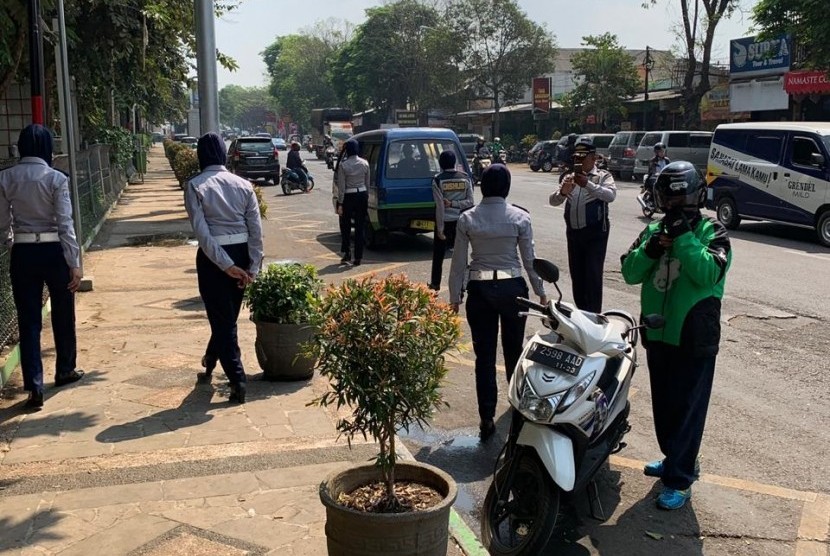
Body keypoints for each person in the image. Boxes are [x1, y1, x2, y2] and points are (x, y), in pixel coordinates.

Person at [620, 161, 732, 510]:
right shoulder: (653, 230)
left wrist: (683, 237)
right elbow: (629, 271)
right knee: (665, 406)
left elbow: (707, 273)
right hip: (658, 333)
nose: (672, 208)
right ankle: (677, 459)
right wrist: (653, 246)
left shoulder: (713, 232)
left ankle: (680, 479)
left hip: (693, 336)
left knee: (688, 409)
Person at [448, 164, 547, 442]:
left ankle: (486, 417)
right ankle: (518, 414)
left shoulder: (467, 219)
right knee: (515, 352)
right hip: (512, 290)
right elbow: (530, 260)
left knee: (485, 357)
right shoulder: (520, 217)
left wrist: (455, 295)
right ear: (507, 187)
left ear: (482, 186)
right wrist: (541, 291)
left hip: (479, 291)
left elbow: (458, 262)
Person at [0, 124, 84, 409]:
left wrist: (13, 243)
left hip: (23, 252)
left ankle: (34, 385)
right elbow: (66, 223)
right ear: (47, 147)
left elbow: (3, 223)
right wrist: (74, 263)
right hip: (54, 251)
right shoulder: (56, 178)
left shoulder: (6, 178)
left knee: (28, 320)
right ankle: (65, 369)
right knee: (63, 311)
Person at [184, 132, 263, 404]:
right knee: (225, 318)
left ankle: (237, 379)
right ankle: (210, 359)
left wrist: (225, 265)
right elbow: (256, 230)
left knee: (223, 320)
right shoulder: (243, 185)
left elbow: (202, 233)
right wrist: (252, 265)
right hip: (240, 253)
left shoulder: (195, 185)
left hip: (212, 257)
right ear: (223, 153)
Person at [549, 138, 616, 313]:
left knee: (593, 276)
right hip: (574, 234)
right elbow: (553, 201)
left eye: (582, 158)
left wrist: (588, 184)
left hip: (595, 235)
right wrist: (563, 191)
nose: (578, 161)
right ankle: (581, 313)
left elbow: (610, 196)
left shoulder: (602, 176)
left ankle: (593, 315)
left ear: (593, 158)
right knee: (577, 276)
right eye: (576, 158)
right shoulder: (567, 176)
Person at [429, 150, 474, 291]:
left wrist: (440, 229)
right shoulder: (465, 178)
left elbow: (440, 207)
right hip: (461, 222)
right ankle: (462, 286)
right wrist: (456, 204)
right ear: (454, 162)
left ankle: (435, 284)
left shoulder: (438, 180)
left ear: (441, 164)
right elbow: (470, 202)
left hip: (445, 221)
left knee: (438, 256)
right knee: (461, 256)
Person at [334, 138, 370, 266]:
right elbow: (367, 183)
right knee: (360, 227)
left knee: (346, 226)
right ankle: (358, 257)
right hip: (362, 194)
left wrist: (340, 203)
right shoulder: (365, 163)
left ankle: (347, 252)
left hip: (349, 196)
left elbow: (342, 187)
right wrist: (366, 197)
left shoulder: (343, 165)